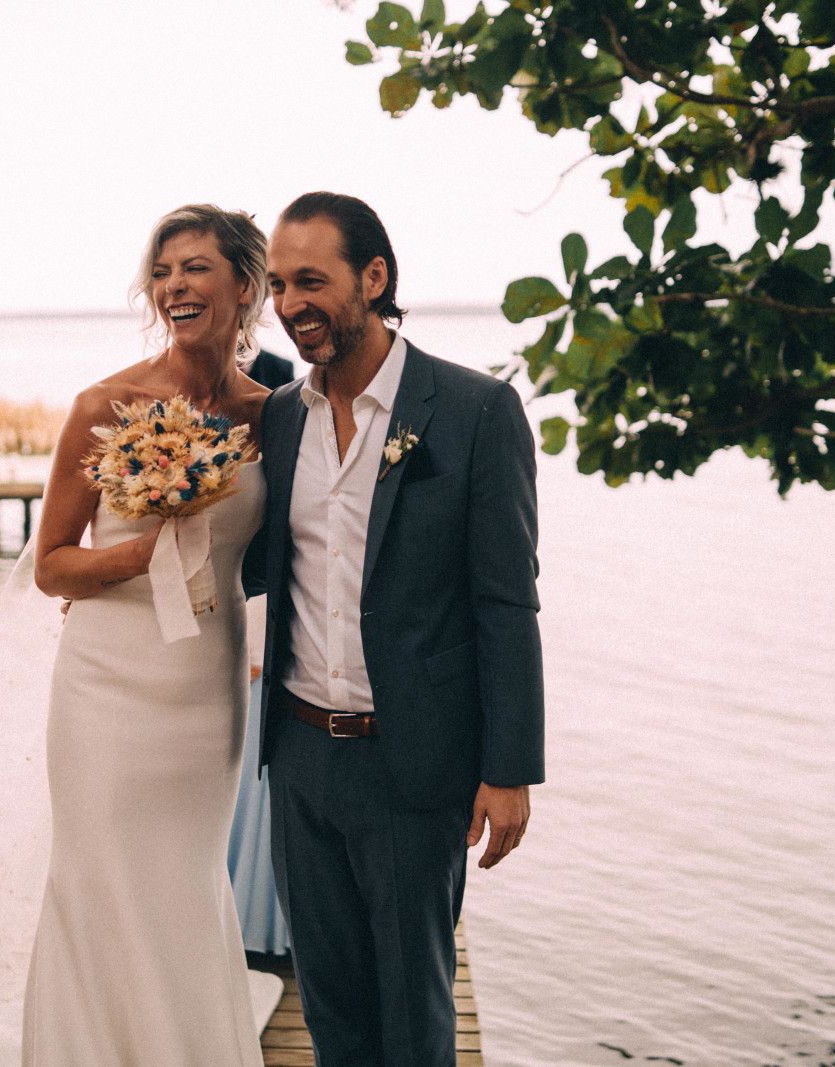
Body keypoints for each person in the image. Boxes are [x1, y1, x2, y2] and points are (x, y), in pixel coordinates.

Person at [0, 204, 279, 1066]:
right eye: (163, 271)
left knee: (187, 879)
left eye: (196, 268)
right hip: (105, 685)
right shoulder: (104, 404)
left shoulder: (275, 414)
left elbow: (285, 554)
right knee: (99, 879)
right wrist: (147, 551)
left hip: (204, 688)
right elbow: (52, 566)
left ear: (245, 285)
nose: (176, 286)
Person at [249, 191, 545, 1067]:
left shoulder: (474, 411)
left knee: (414, 1011)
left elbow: (506, 602)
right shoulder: (278, 416)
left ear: (374, 278)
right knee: (332, 1001)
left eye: (312, 279)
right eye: (278, 284)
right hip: (299, 758)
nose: (292, 302)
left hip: (412, 764)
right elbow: (260, 562)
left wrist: (509, 768)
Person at [228, 348, 296, 958]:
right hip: (241, 613)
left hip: (268, 616)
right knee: (249, 783)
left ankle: (267, 924)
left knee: (264, 783)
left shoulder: (278, 384)